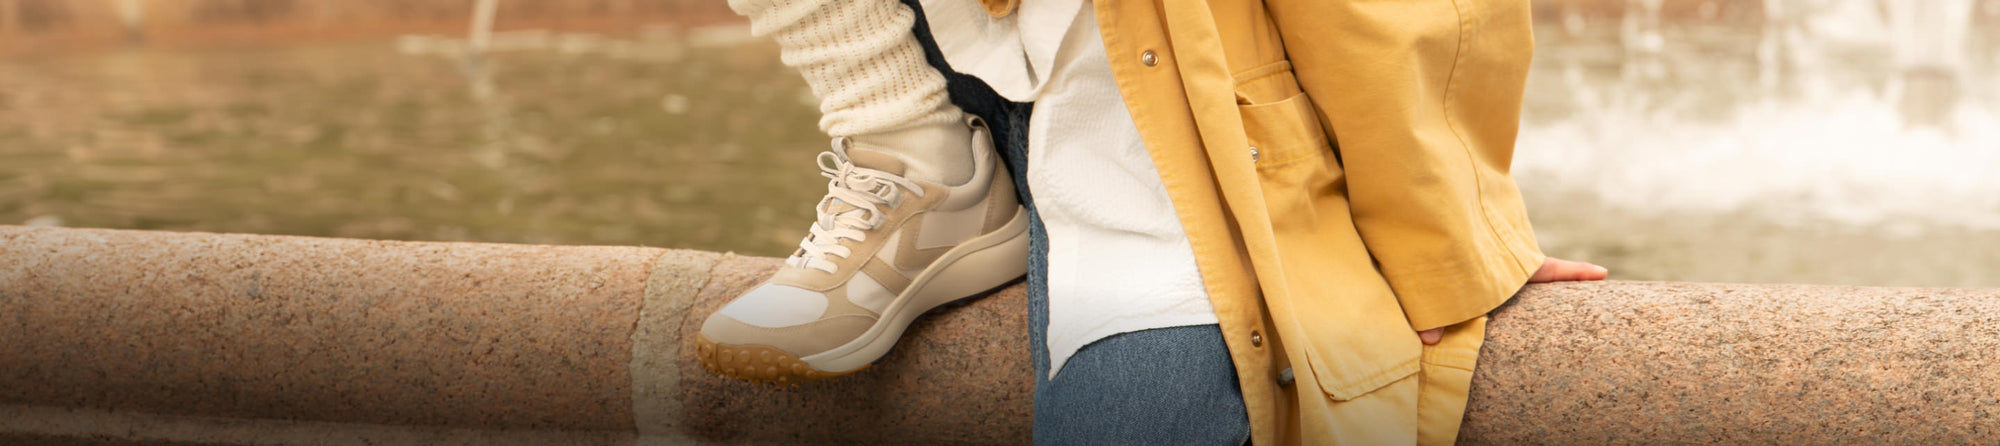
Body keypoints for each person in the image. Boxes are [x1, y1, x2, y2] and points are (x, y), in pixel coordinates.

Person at [694, 0, 1610, 444]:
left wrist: (1444, 234)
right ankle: (922, 161)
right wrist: (889, 115)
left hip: (1162, 126)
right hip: (931, 69)